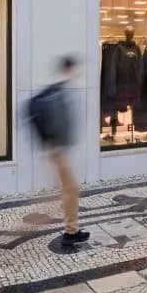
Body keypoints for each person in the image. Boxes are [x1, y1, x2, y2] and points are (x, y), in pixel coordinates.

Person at [29, 56, 89, 247]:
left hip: (56, 148)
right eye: (76, 68)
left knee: (66, 188)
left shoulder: (59, 87)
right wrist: (54, 143)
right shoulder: (59, 89)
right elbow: (56, 120)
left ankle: (69, 227)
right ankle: (71, 231)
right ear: (69, 69)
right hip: (56, 149)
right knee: (71, 188)